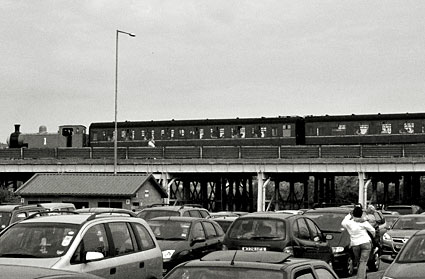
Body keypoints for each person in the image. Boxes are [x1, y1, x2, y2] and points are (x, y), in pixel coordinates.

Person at [341, 206, 375, 279]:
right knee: (363, 262)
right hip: (366, 243)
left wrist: (349, 214)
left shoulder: (349, 223)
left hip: (355, 245)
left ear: (353, 214)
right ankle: (361, 277)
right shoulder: (364, 222)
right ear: (361, 214)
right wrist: (373, 237)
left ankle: (362, 276)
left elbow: (343, 222)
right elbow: (372, 230)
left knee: (359, 261)